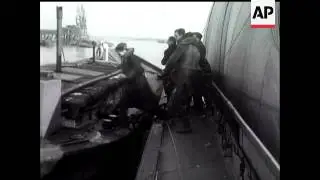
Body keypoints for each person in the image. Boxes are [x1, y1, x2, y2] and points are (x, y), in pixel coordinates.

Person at [160, 31, 203, 133]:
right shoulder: (196, 47)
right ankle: (182, 123)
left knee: (175, 100)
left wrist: (164, 73)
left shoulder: (183, 45)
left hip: (184, 75)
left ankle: (183, 125)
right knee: (184, 99)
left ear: (184, 38)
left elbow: (171, 60)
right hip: (195, 76)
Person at [192, 32, 215, 116]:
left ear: (197, 38)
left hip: (203, 72)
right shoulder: (198, 46)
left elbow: (199, 59)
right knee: (200, 90)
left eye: (194, 37)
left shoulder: (199, 46)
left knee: (203, 90)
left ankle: (207, 109)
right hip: (201, 70)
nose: (192, 39)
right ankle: (200, 107)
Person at [161, 36, 177, 102]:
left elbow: (163, 62)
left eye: (168, 40)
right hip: (178, 72)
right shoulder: (178, 48)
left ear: (171, 42)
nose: (167, 42)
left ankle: (169, 103)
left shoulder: (167, 51)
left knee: (168, 89)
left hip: (169, 73)